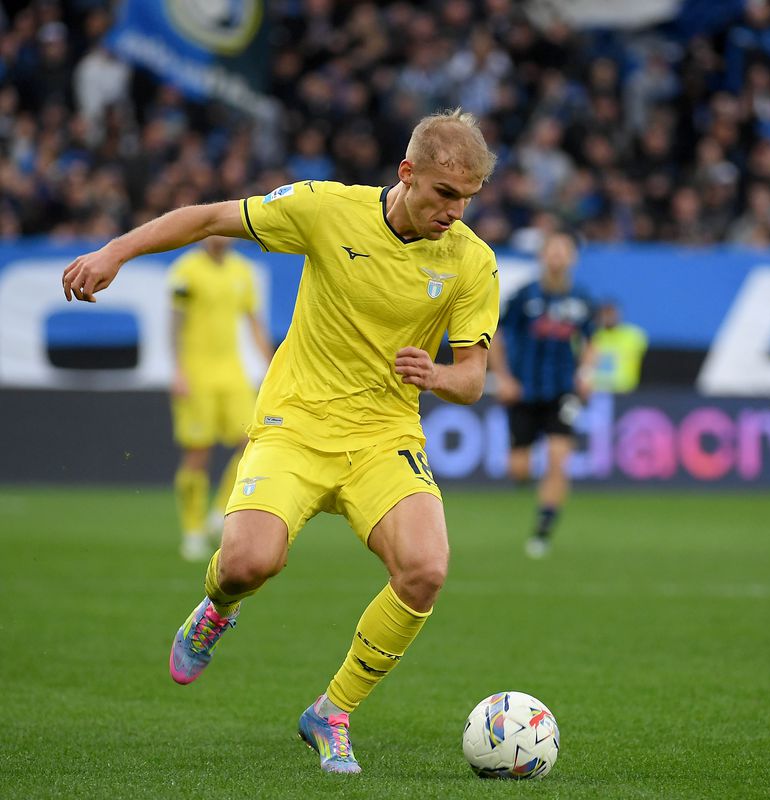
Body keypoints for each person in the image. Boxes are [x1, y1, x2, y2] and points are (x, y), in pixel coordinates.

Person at [62, 109, 499, 775]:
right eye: (444, 193)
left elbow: (472, 378)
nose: (455, 210)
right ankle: (216, 608)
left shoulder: (471, 260)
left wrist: (437, 375)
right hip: (295, 424)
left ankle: (333, 711)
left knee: (426, 569)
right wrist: (113, 251)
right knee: (247, 563)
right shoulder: (325, 208)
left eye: (467, 198)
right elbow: (209, 219)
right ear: (406, 174)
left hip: (384, 437)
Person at [488, 231, 595, 558]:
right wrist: (503, 378)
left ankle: (544, 528)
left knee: (557, 459)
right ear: (542, 256)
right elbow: (494, 334)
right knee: (518, 468)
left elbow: (593, 342)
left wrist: (586, 374)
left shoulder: (582, 299)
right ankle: (533, 487)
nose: (558, 256)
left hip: (562, 390)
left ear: (572, 257)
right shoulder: (523, 296)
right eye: (552, 250)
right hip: (523, 390)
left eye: (564, 250)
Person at [167, 236, 273, 562]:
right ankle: (193, 531)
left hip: (233, 374)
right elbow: (174, 323)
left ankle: (219, 511)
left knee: (253, 441)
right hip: (197, 374)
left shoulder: (243, 271)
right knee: (198, 451)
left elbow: (254, 323)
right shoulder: (186, 270)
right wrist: (178, 370)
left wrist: (270, 365)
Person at [590, 299, 648, 394]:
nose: (609, 317)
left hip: (625, 391)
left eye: (612, 313)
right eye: (605, 313)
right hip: (596, 391)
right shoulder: (591, 335)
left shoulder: (634, 335)